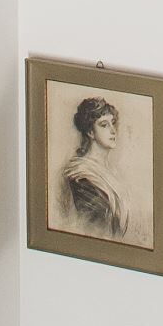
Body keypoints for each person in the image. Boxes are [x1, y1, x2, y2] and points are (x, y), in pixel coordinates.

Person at [59, 96, 131, 239]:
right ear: (90, 132)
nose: (113, 130)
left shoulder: (111, 172)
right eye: (104, 125)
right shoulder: (81, 177)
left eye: (113, 123)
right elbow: (95, 231)